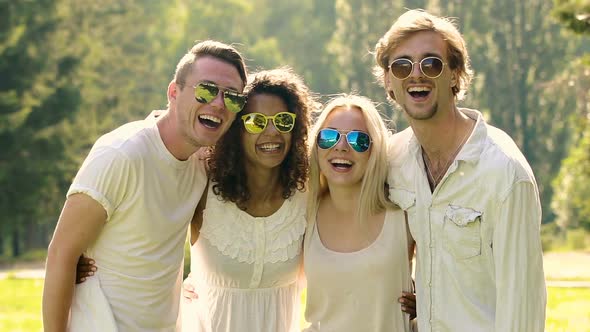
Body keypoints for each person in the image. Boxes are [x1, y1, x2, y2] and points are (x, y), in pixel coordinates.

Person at [42, 40, 248, 331]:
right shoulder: (121, 154)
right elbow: (61, 255)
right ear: (173, 92)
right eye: (206, 89)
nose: (217, 103)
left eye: (232, 98)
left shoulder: (201, 162)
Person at [373, 9, 546, 331]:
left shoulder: (504, 172)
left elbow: (523, 303)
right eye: (401, 65)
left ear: (455, 75)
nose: (416, 74)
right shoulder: (392, 160)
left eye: (432, 63)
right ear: (388, 81)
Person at [180, 67, 316, 332]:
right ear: (235, 130)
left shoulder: (308, 193)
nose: (272, 132)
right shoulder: (202, 181)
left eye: (283, 121)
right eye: (256, 122)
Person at [303, 95, 415, 331]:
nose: (341, 147)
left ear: (374, 150)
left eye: (358, 140)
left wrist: (428, 301)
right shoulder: (304, 210)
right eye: (329, 137)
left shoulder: (403, 213)